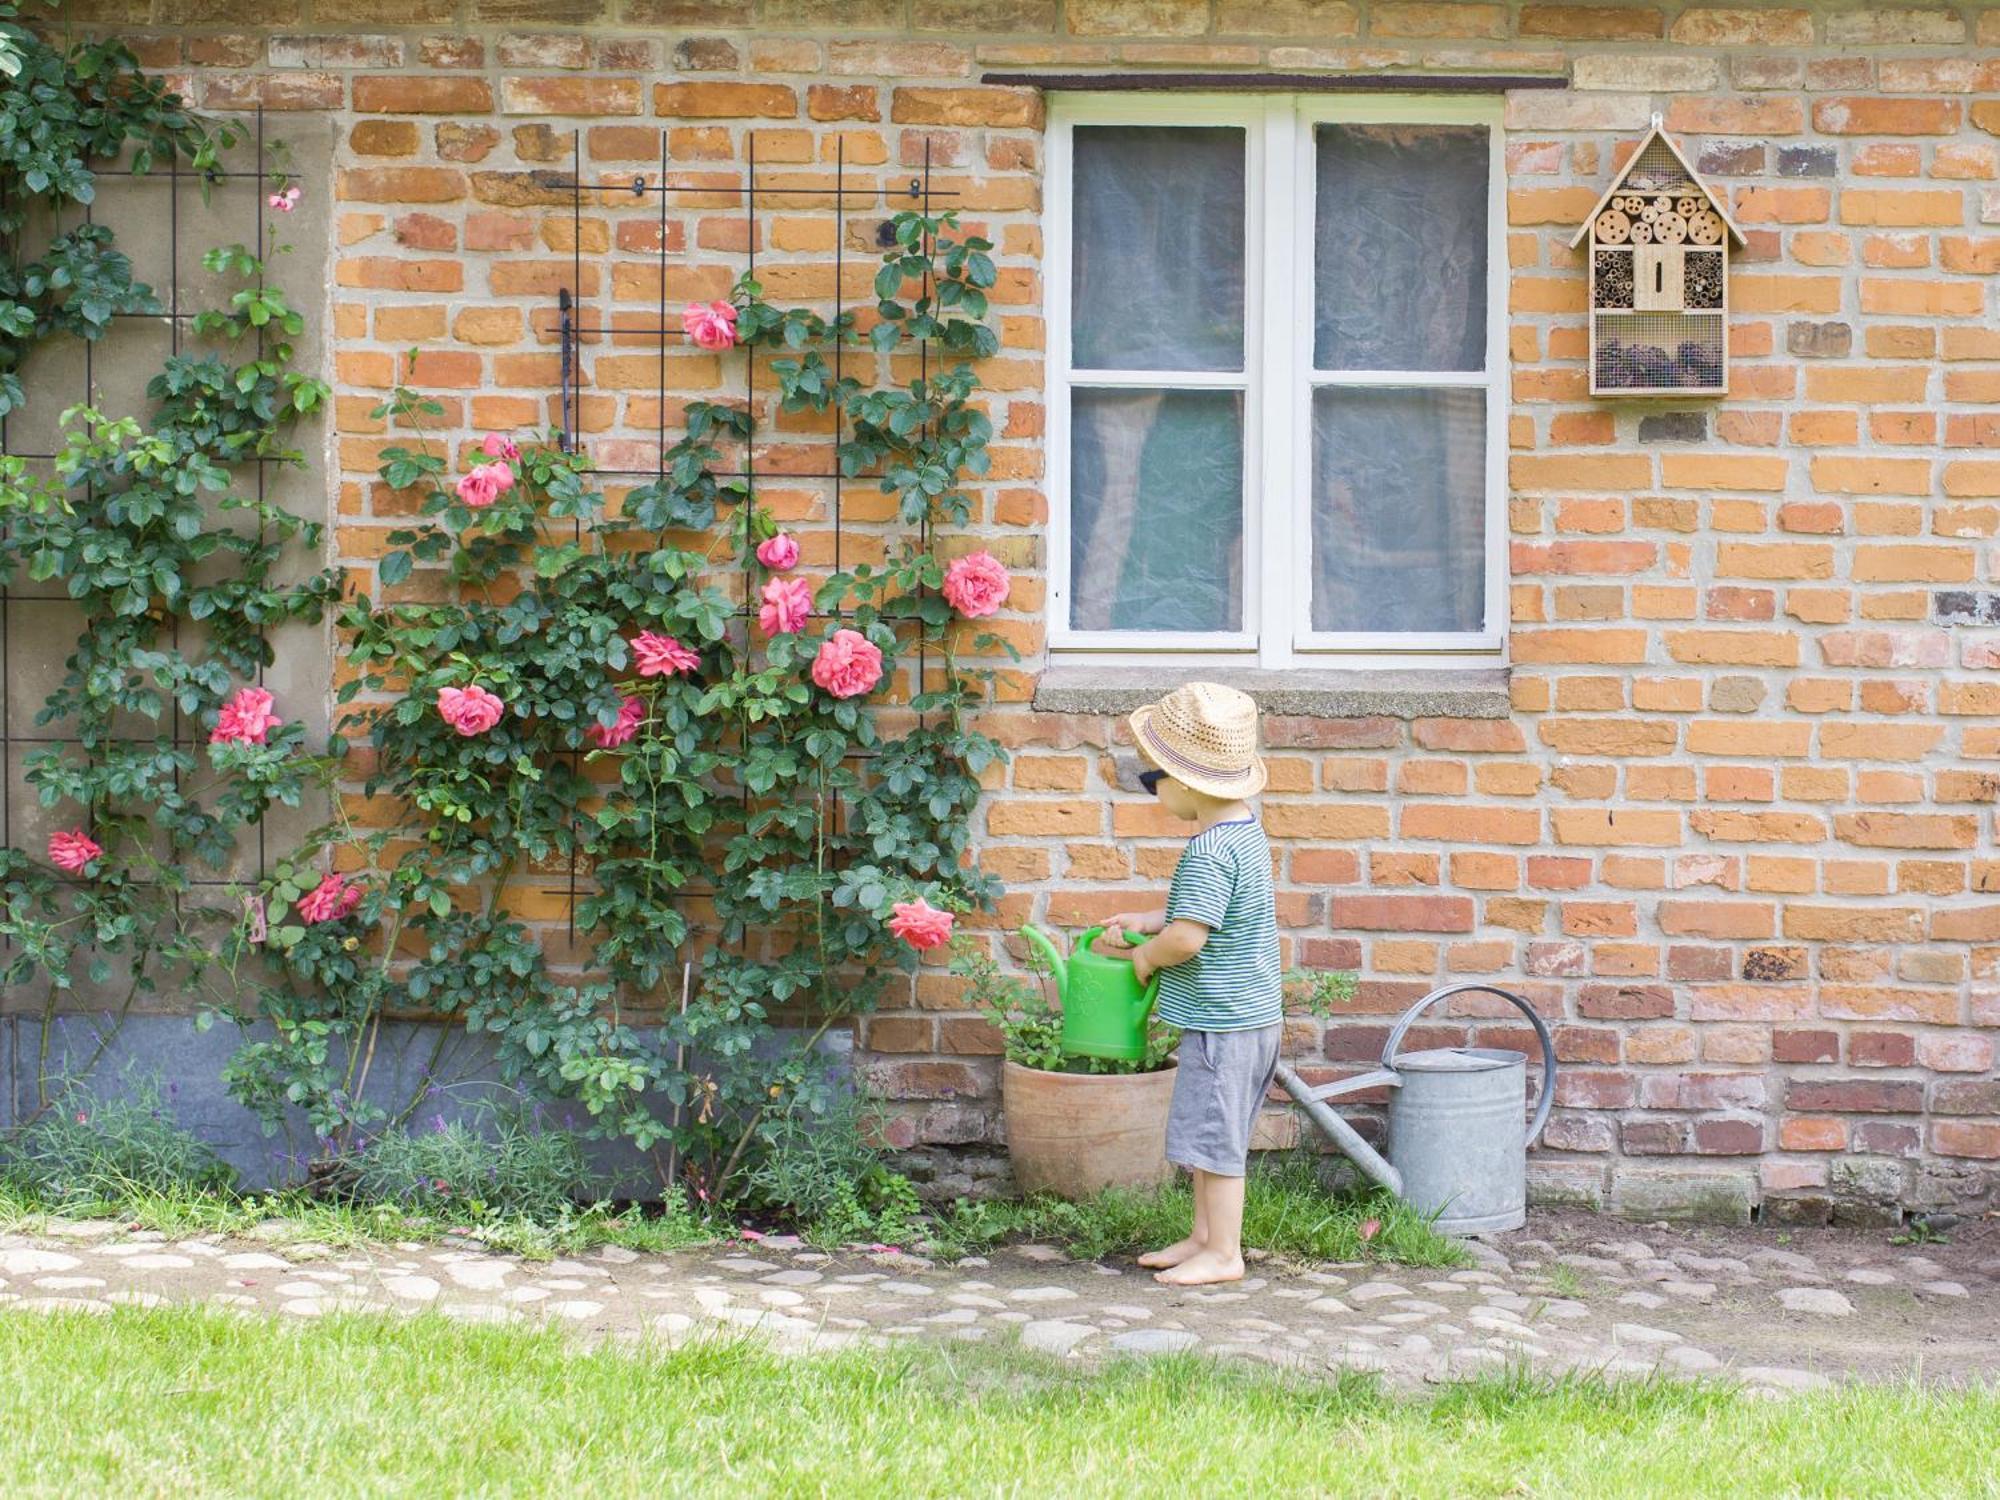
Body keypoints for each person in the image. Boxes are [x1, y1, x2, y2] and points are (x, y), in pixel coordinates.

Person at [1097, 681, 1281, 1287]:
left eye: (1155, 778)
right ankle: (1204, 1237)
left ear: (1189, 785)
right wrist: (1149, 918)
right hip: (1244, 1014)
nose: (1154, 788)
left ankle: (1225, 1254)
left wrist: (1147, 953)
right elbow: (1203, 913)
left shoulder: (1206, 850)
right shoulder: (1243, 832)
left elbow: (1188, 939)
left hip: (1225, 1022)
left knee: (1219, 1143)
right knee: (1208, 1134)